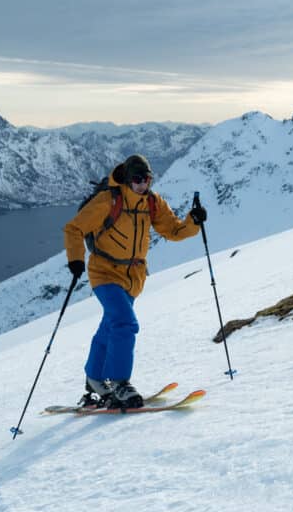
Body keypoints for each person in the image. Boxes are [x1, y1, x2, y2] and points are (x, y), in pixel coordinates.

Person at [63, 154, 207, 409]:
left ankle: (95, 378)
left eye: (147, 179)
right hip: (104, 272)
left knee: (110, 325)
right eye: (138, 180)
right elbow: (74, 229)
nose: (143, 184)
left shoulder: (152, 203)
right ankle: (119, 382)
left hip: (133, 277)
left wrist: (193, 222)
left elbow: (172, 230)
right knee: (125, 323)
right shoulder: (108, 200)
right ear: (128, 180)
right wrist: (76, 259)